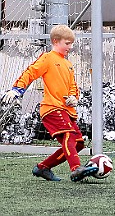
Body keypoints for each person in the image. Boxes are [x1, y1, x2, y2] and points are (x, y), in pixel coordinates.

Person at [1, 25, 98, 181]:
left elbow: (73, 86)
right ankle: (76, 169)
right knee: (69, 135)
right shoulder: (47, 58)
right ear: (55, 41)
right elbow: (30, 72)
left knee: (78, 144)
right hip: (52, 108)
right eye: (67, 43)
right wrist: (17, 90)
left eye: (71, 44)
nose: (70, 47)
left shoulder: (68, 64)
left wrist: (74, 97)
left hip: (67, 111)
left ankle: (42, 168)